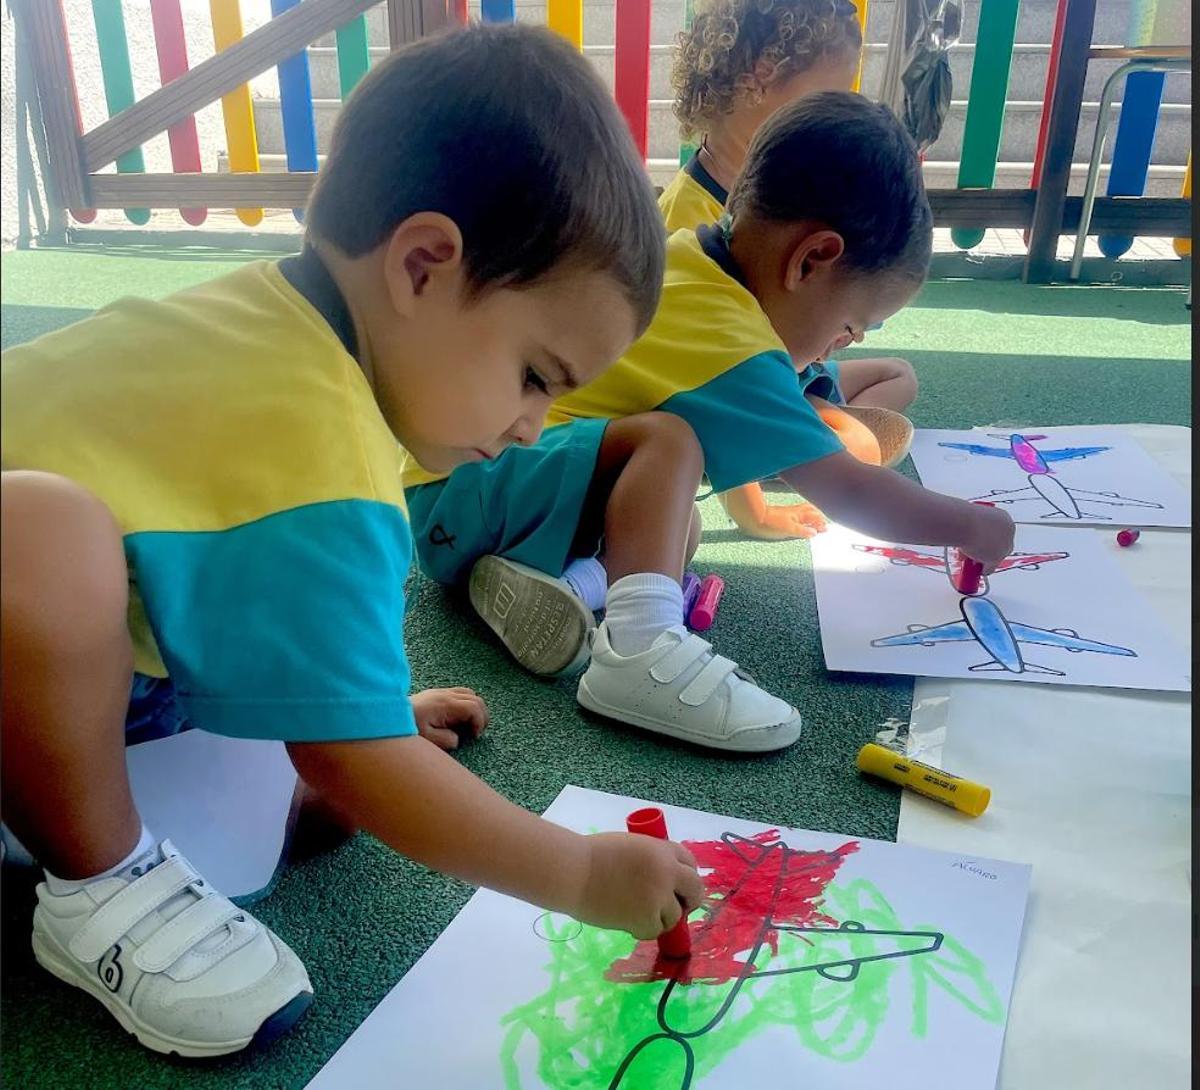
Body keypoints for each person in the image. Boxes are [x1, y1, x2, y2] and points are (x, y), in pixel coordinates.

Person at [0, 25, 702, 1059]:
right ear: (423, 265)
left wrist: (361, 723)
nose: (533, 427)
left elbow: (251, 627)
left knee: (261, 842)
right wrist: (581, 873)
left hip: (74, 674)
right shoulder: (305, 427)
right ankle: (97, 886)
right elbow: (349, 760)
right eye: (536, 375)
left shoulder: (292, 331)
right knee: (41, 535)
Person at [406, 93, 1013, 757]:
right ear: (810, 259)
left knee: (673, 528)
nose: (841, 344)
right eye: (849, 325)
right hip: (464, 486)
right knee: (672, 443)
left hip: (488, 499)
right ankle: (636, 656)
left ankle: (566, 590)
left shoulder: (697, 260)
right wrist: (972, 525)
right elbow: (852, 491)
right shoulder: (735, 343)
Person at [664, 0, 919, 540]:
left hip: (789, 367)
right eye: (829, 94)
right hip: (737, 390)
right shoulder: (691, 217)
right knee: (863, 449)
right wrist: (751, 513)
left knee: (899, 376)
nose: (841, 106)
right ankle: (787, 453)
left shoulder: (782, 198)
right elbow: (717, 378)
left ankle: (800, 446)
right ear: (761, 78)